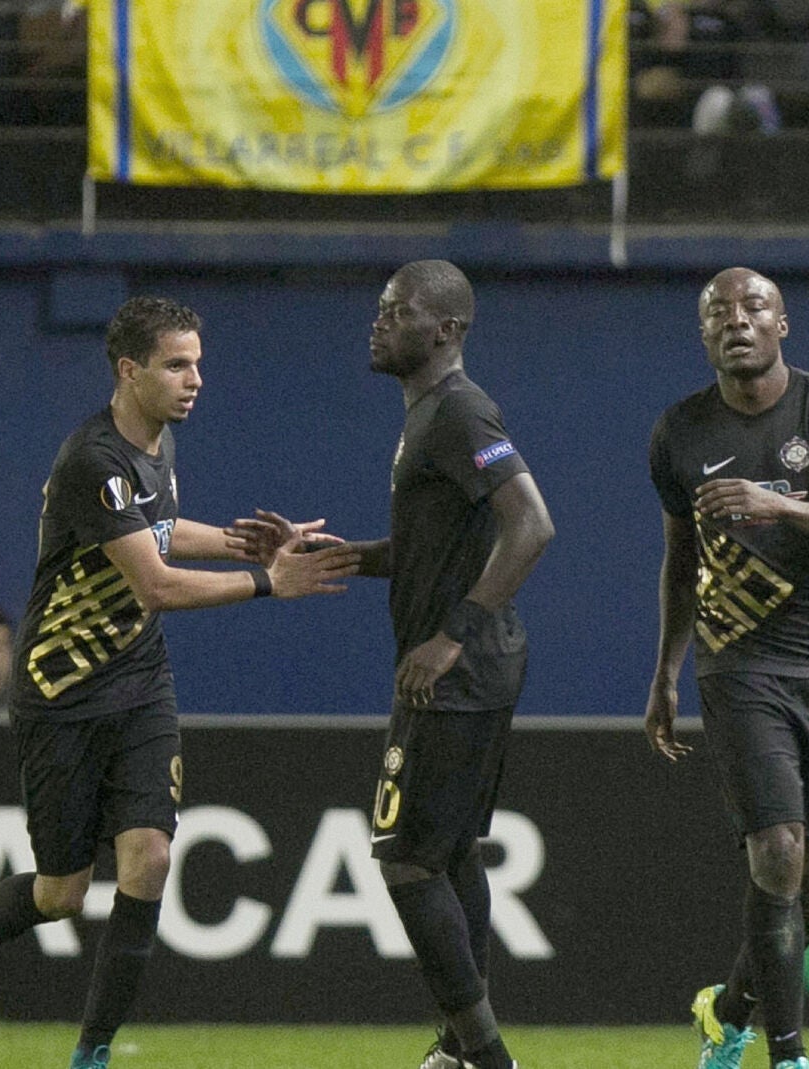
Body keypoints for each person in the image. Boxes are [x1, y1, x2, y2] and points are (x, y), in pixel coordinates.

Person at [0, 296, 363, 1069]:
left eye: (198, 361)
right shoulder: (95, 460)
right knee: (63, 892)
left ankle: (91, 1053)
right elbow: (155, 582)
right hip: (63, 694)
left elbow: (157, 528)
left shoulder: (155, 447)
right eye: (176, 364)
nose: (196, 379)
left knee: (150, 858)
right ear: (129, 371)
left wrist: (240, 540)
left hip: (139, 681)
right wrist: (268, 580)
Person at [237, 260, 552, 1069]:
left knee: (405, 857)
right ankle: (458, 1048)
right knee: (448, 855)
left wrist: (451, 632)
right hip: (474, 666)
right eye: (378, 309)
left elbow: (531, 525)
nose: (377, 322)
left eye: (396, 311)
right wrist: (330, 557)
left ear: (445, 330)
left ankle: (486, 1059)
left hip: (460, 670)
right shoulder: (429, 417)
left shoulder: (458, 413)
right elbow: (430, 548)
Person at [646, 267, 809, 1069]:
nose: (737, 320)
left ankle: (725, 1011)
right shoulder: (678, 432)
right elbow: (680, 555)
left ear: (782, 323)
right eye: (718, 312)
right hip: (738, 663)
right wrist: (666, 670)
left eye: (754, 306)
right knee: (778, 851)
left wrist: (779, 503)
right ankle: (786, 1054)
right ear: (704, 335)